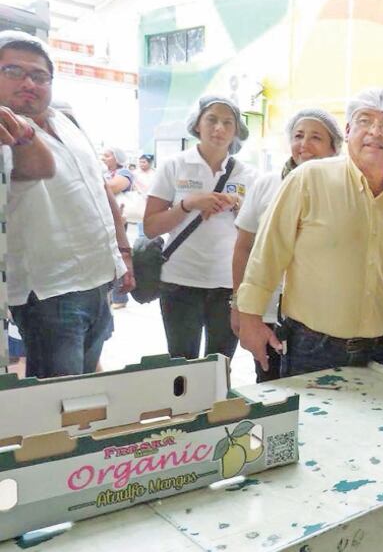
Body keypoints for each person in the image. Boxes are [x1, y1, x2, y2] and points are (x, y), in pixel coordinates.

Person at [237, 88, 383, 378]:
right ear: (348, 130)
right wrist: (249, 317)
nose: (375, 132)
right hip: (311, 348)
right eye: (365, 121)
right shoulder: (308, 179)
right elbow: (268, 253)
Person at [1, 31, 134, 379]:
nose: (28, 83)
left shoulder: (66, 122)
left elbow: (100, 189)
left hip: (98, 278)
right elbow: (37, 167)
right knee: (59, 398)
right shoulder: (5, 135)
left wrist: (123, 252)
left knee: (85, 387)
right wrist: (23, 133)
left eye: (39, 75)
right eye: (13, 71)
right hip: (49, 291)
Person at [231, 108, 342, 382]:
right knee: (270, 389)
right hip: (267, 313)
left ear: (334, 148)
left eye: (316, 137)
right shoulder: (266, 184)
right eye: (298, 136)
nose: (304, 144)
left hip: (320, 321)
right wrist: (240, 307)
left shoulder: (343, 191)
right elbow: (244, 248)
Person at [144, 95, 257, 362]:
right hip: (180, 283)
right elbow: (150, 227)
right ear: (197, 124)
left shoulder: (249, 175)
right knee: (182, 365)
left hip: (229, 284)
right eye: (212, 120)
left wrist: (238, 205)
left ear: (236, 131)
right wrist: (189, 204)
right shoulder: (174, 166)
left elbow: (260, 232)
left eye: (228, 123)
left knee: (220, 364)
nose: (219, 128)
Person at [102, 146, 136, 309]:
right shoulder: (105, 174)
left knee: (117, 255)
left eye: (107, 156)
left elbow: (111, 187)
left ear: (117, 158)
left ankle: (120, 297)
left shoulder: (124, 173)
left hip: (119, 219)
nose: (104, 158)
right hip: (105, 219)